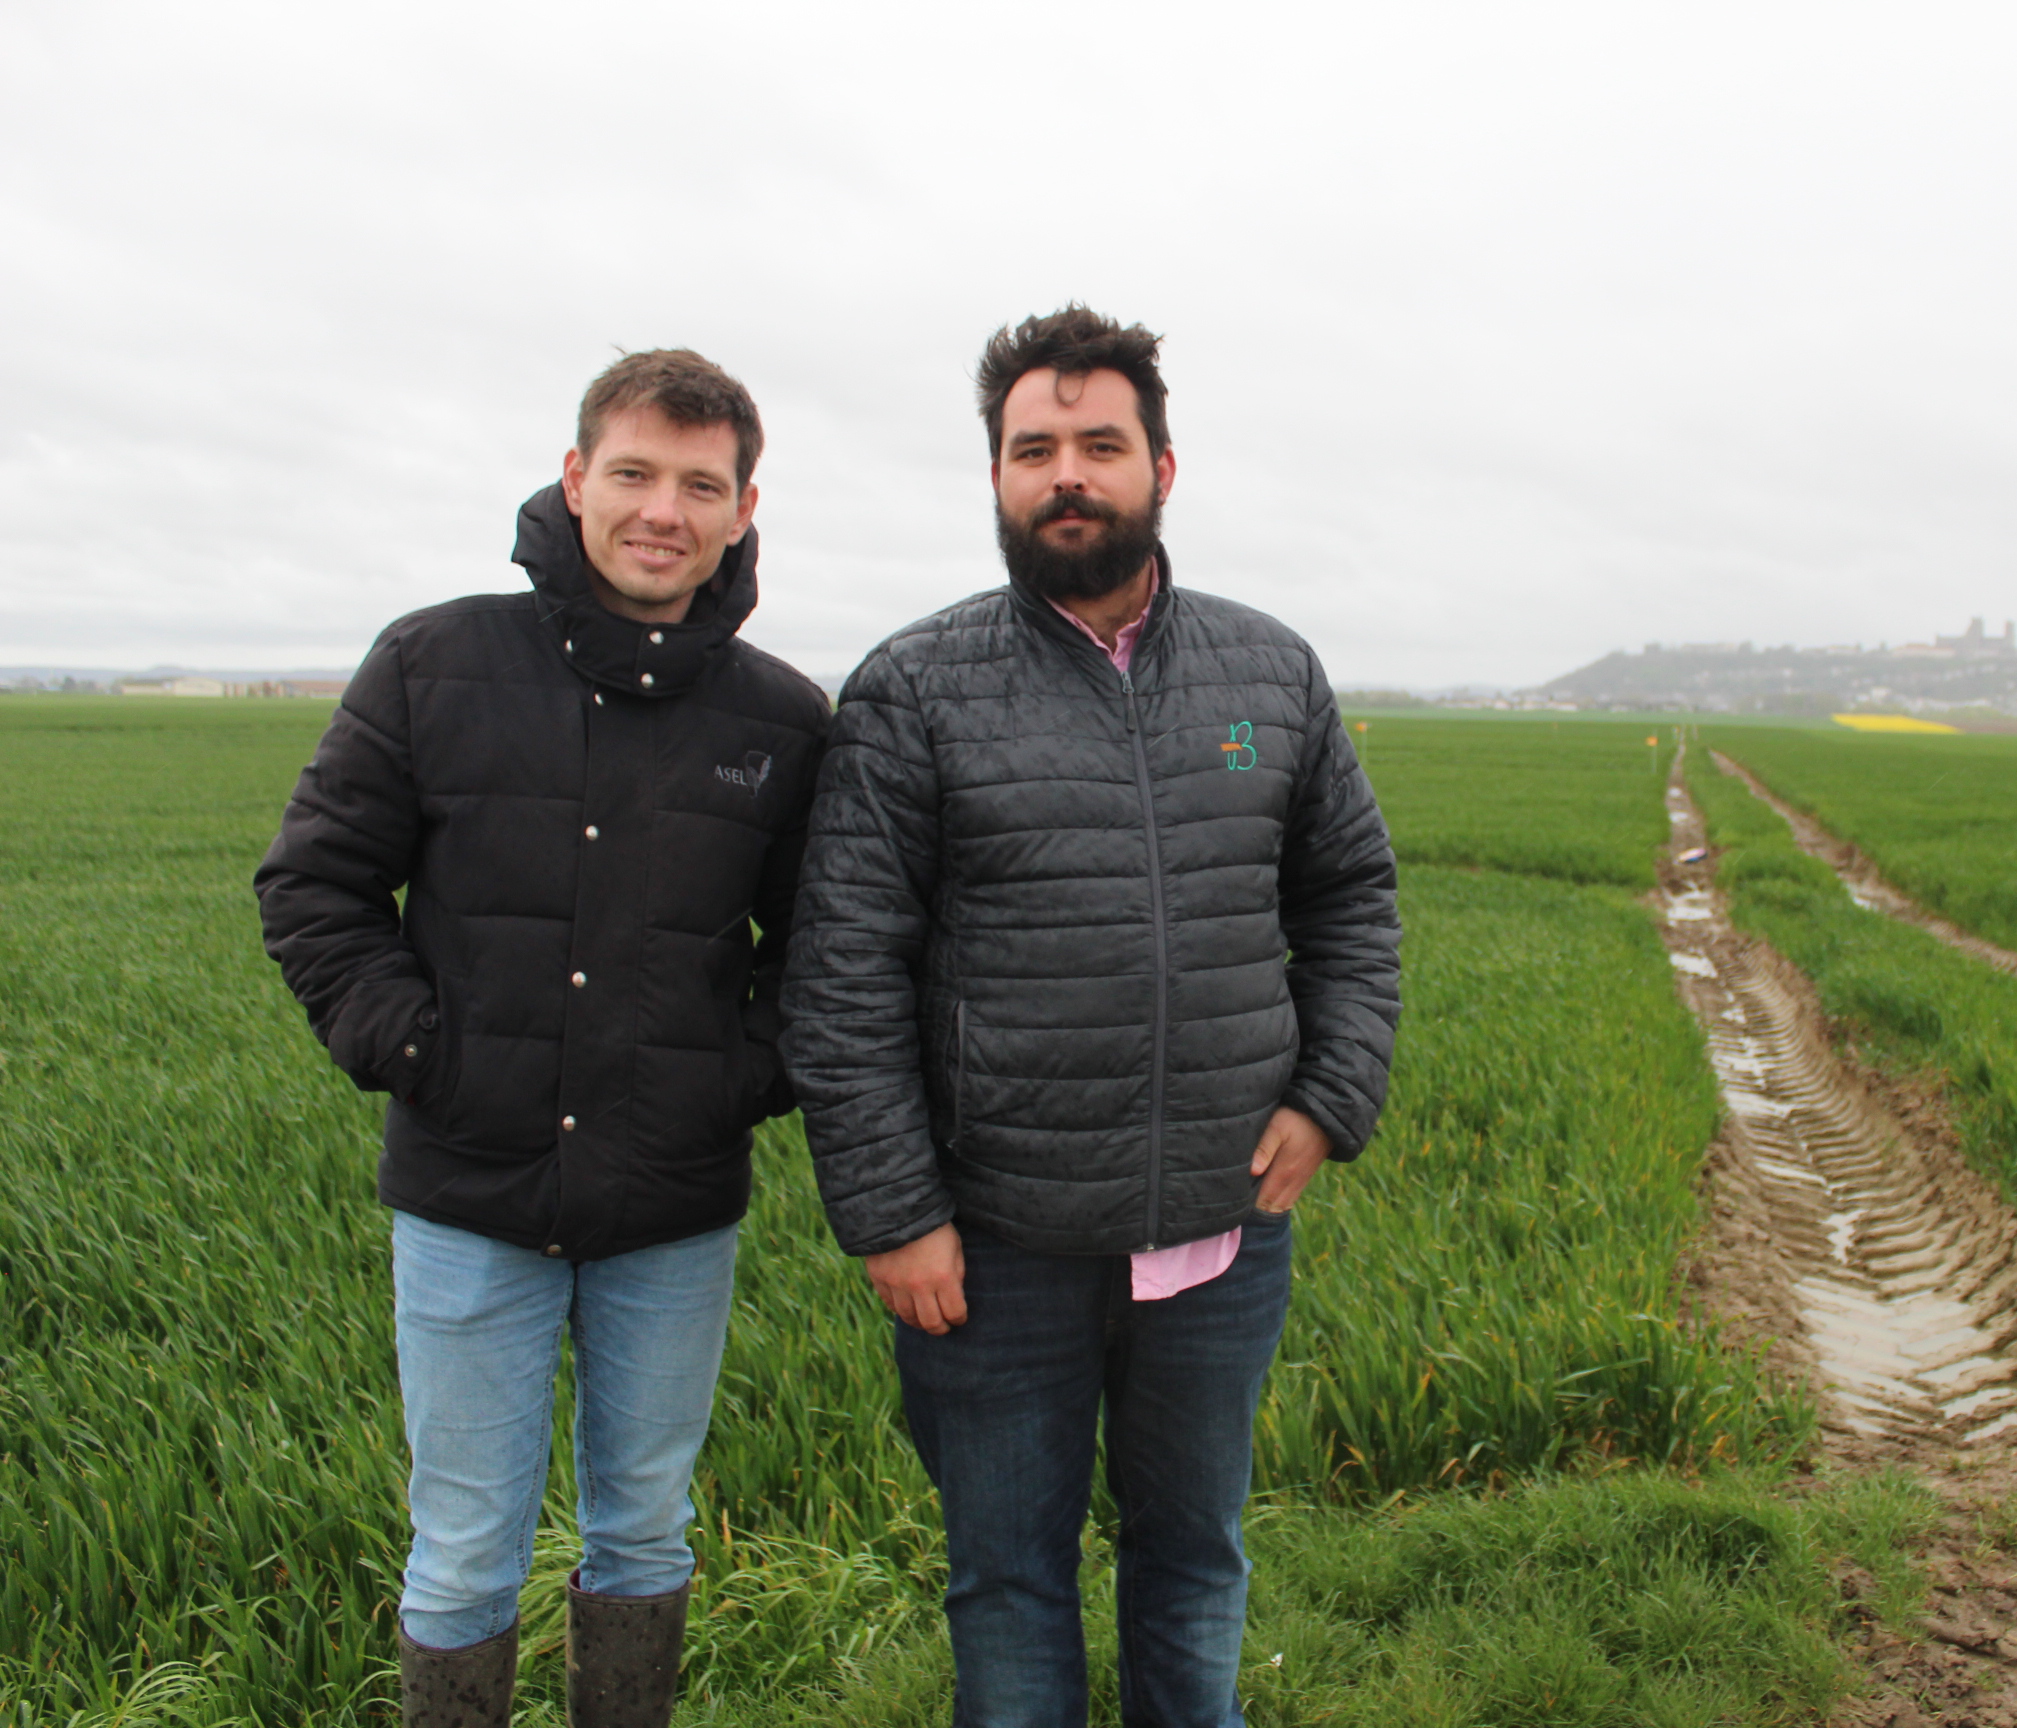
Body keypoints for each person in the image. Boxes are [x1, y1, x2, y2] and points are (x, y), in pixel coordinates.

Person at [781, 306, 1402, 1725]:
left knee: (1193, 1556)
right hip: (992, 1254)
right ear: (996, 477)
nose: (1069, 473)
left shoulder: (1269, 675)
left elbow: (1353, 900)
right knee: (1007, 1578)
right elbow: (844, 971)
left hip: (1217, 1235)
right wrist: (891, 1213)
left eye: (1100, 445)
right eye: (1034, 448)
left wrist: (1331, 1096)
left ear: (1162, 470)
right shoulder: (915, 689)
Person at [254, 350, 829, 1728]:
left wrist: (727, 1087)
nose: (662, 510)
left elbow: (825, 955)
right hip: (468, 1199)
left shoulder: (785, 719)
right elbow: (315, 887)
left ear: (745, 508)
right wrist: (422, 1057)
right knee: (461, 1557)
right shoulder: (434, 661)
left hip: (672, 1210)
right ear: (576, 481)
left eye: (701, 484)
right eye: (633, 472)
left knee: (644, 1533)